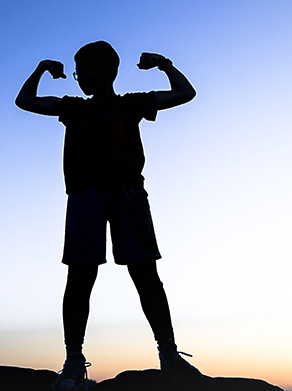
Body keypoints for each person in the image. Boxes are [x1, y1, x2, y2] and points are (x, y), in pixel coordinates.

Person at [15, 41, 201, 390]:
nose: (80, 76)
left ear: (108, 70)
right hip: (85, 196)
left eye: (86, 68)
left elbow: (185, 92)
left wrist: (165, 62)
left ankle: (169, 356)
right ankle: (73, 362)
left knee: (146, 276)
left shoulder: (132, 104)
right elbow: (24, 102)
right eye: (77, 70)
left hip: (128, 193)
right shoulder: (73, 108)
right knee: (80, 278)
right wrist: (40, 69)